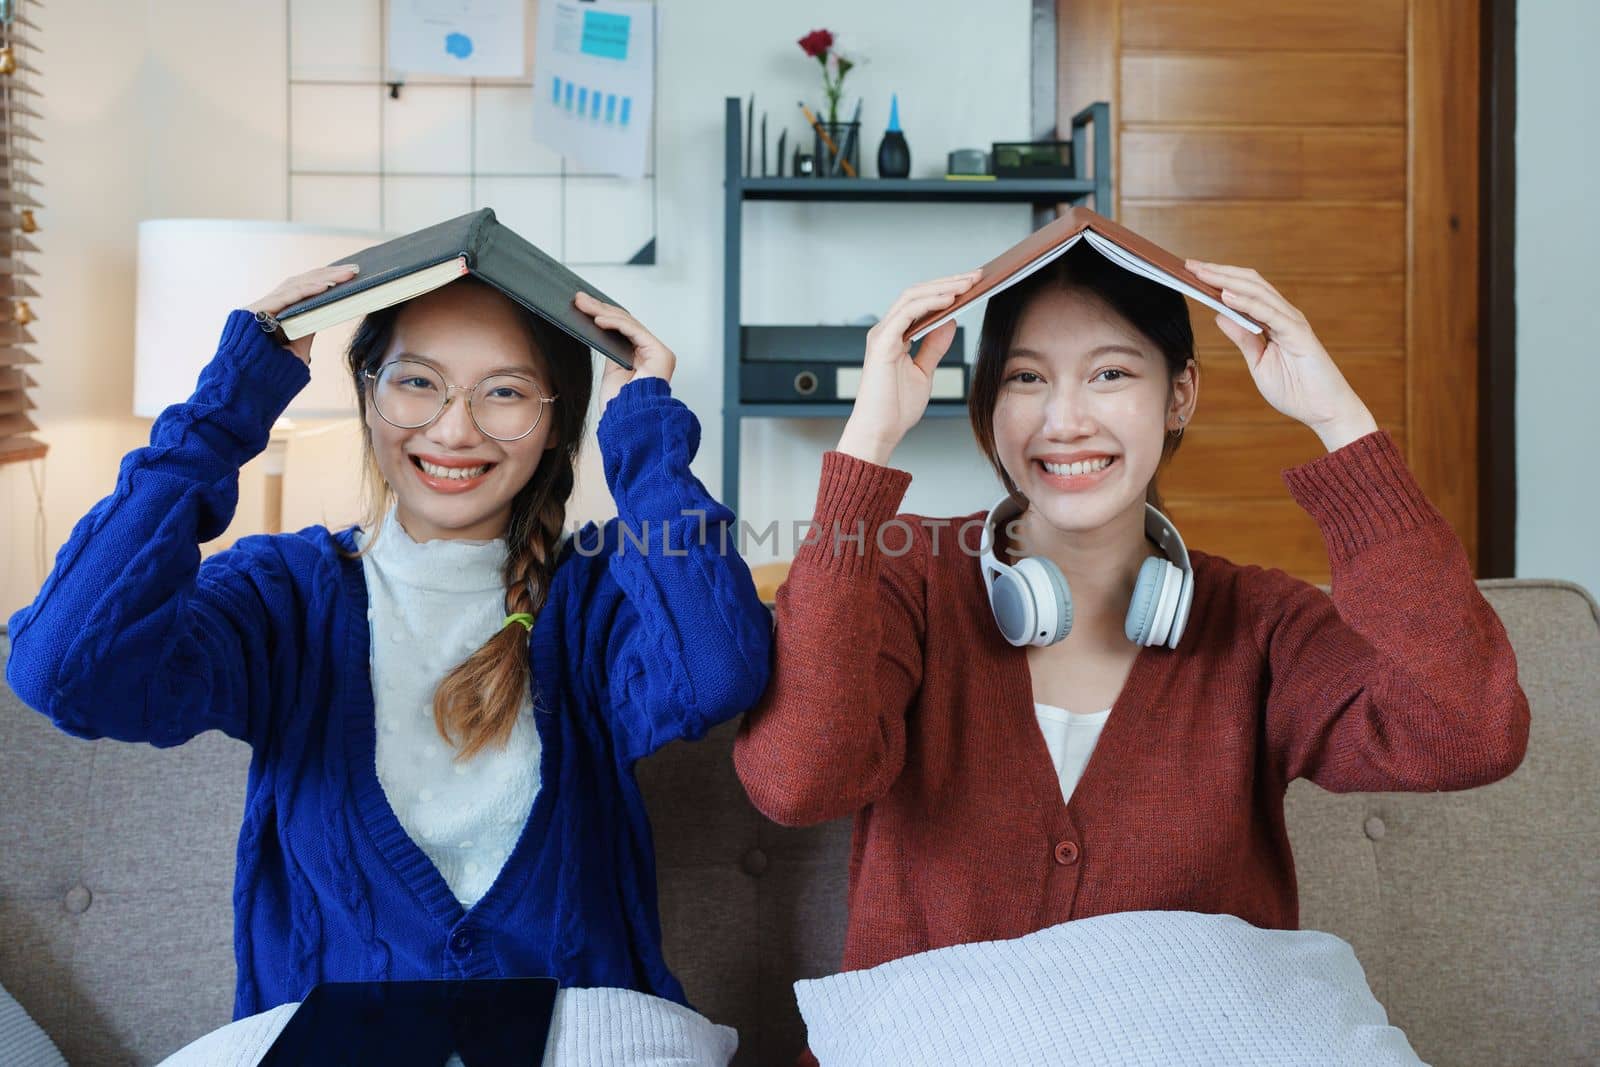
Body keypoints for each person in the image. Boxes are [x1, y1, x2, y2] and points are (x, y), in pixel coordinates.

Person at [733, 244, 1528, 981]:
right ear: (985, 400)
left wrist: (1338, 420)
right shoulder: (911, 582)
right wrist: (868, 441)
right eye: (1025, 378)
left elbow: (1470, 731)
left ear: (1179, 394)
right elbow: (798, 781)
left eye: (1111, 374)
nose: (1065, 420)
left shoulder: (1260, 622)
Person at [6, 264, 772, 1018]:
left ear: (557, 424)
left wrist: (646, 434)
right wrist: (224, 412)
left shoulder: (596, 599)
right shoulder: (287, 594)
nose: (453, 427)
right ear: (367, 393)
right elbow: (61, 667)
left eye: (504, 392)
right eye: (416, 381)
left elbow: (718, 671)